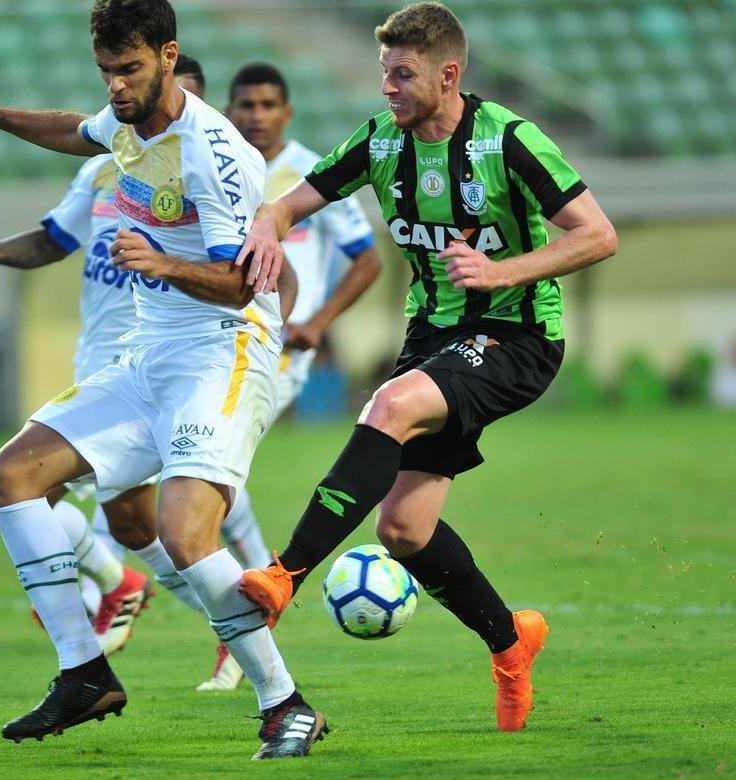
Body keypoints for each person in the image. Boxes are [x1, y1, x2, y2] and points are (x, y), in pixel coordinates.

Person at [0, 0, 326, 759]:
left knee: (183, 533)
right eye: (106, 70)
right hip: (147, 355)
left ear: (169, 56)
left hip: (225, 352)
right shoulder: (127, 123)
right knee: (10, 479)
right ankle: (84, 671)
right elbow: (74, 130)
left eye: (129, 69)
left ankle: (285, 704)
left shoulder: (213, 151)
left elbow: (246, 284)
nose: (115, 85)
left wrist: (161, 262)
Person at [234, 2, 617, 733]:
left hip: (518, 335)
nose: (388, 87)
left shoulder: (508, 140)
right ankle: (511, 643)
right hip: (435, 337)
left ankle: (285, 574)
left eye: (403, 74)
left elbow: (597, 235)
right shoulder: (380, 140)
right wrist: (269, 227)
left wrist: (502, 272)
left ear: (448, 75)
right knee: (405, 530)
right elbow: (285, 206)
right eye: (384, 73)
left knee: (389, 404)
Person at [0, 56, 213, 660]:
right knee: (132, 525)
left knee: (31, 491)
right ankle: (214, 618)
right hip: (100, 368)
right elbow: (54, 240)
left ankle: (116, 597)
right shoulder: (103, 170)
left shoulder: (206, 174)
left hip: (159, 369)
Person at [188, 61, 384, 691]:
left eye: (268, 104)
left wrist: (318, 321)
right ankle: (254, 590)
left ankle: (253, 594)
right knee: (197, 467)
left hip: (278, 353)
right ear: (230, 109)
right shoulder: (217, 163)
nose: (256, 115)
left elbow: (367, 260)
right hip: (216, 344)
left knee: (206, 465)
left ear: (287, 112)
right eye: (246, 104)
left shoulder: (310, 172)